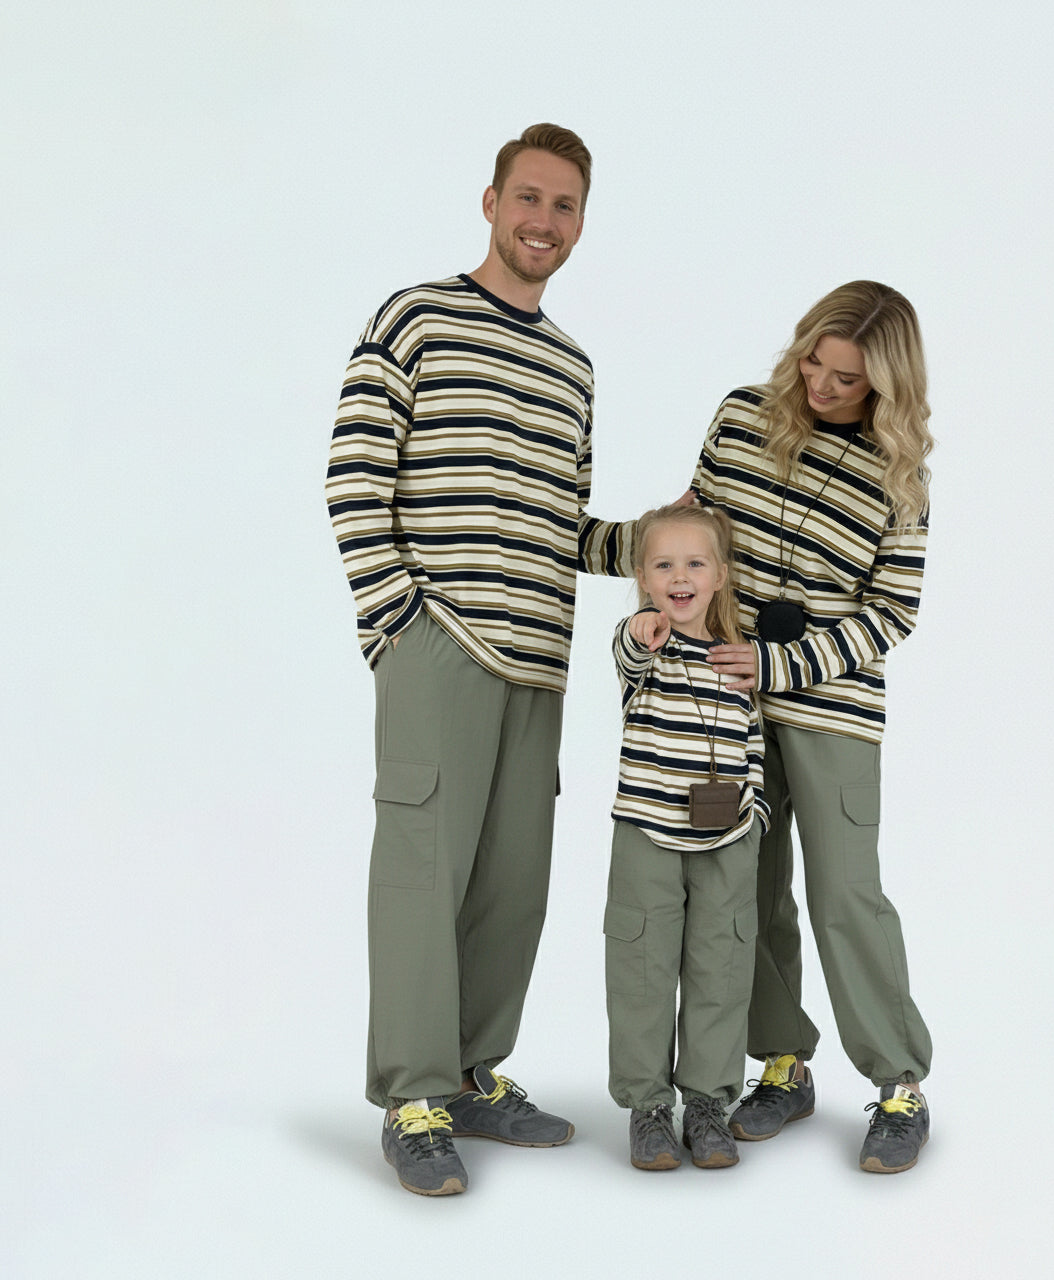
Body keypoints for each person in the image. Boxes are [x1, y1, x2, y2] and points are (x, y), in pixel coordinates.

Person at [326, 123, 617, 1197]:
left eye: (565, 207)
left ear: (582, 224)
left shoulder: (573, 368)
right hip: (438, 641)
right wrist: (394, 619)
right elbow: (355, 468)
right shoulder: (414, 318)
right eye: (528, 198)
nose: (543, 221)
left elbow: (563, 523)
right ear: (489, 200)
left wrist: (657, 545)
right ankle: (412, 1095)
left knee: (511, 883)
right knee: (419, 873)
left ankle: (473, 1071)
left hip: (539, 661)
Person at [691, 281, 936, 1174]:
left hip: (833, 708)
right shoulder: (740, 417)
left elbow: (893, 614)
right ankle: (784, 1064)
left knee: (845, 896)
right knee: (742, 889)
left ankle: (900, 1085)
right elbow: (696, 534)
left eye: (848, 379)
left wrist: (785, 665)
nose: (822, 387)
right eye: (814, 363)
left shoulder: (900, 472)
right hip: (725, 700)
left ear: (886, 385)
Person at [605, 503, 770, 1172]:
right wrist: (639, 631)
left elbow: (753, 739)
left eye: (695, 563)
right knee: (643, 970)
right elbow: (625, 649)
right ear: (644, 579)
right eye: (664, 565)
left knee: (720, 971)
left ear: (721, 575)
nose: (680, 576)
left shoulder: (737, 661)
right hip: (647, 834)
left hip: (727, 839)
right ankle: (648, 1108)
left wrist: (751, 813)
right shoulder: (644, 645)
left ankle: (706, 1103)